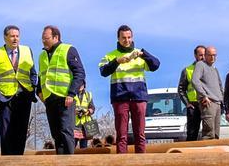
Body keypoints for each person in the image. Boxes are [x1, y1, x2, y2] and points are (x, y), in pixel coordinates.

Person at [99, 25, 160, 154]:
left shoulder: (139, 54)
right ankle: (122, 165)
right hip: (120, 97)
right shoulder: (111, 55)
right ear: (118, 39)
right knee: (122, 135)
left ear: (132, 37)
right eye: (123, 38)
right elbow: (103, 71)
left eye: (129, 37)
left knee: (140, 134)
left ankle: (141, 164)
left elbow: (156, 65)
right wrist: (117, 61)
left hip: (139, 97)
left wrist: (144, 54)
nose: (126, 40)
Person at [0, 25, 38, 155]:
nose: (15, 39)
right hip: (4, 99)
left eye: (17, 36)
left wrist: (32, 87)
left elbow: (33, 73)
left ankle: (19, 164)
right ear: (5, 38)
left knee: (21, 133)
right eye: (12, 36)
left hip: (24, 97)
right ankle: (6, 165)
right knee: (6, 134)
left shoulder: (27, 51)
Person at [38, 25, 86, 156]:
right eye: (42, 38)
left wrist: (71, 93)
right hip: (49, 99)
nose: (43, 41)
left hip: (65, 98)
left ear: (55, 37)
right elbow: (41, 76)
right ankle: (60, 165)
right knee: (56, 134)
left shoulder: (68, 50)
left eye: (46, 38)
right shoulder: (42, 55)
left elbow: (80, 73)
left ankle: (70, 163)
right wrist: (39, 93)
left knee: (66, 131)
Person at [191, 46, 224, 140]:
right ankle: (207, 154)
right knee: (209, 134)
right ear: (205, 55)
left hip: (218, 103)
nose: (213, 57)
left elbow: (220, 85)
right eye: (210, 55)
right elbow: (195, 81)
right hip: (208, 103)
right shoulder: (200, 65)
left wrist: (221, 100)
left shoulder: (215, 69)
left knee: (216, 134)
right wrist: (203, 95)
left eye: (214, 55)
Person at [177, 45, 206, 141]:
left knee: (208, 133)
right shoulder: (187, 70)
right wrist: (187, 103)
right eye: (200, 55)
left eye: (204, 55)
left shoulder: (210, 69)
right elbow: (181, 89)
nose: (203, 57)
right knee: (192, 133)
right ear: (195, 55)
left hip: (206, 104)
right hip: (193, 105)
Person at [73, 84, 96, 149]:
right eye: (79, 83)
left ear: (84, 85)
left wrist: (89, 111)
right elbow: (68, 107)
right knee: (72, 146)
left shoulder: (88, 95)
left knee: (84, 147)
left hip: (85, 126)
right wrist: (74, 111)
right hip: (74, 125)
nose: (80, 85)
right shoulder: (72, 94)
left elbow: (92, 107)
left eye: (82, 84)